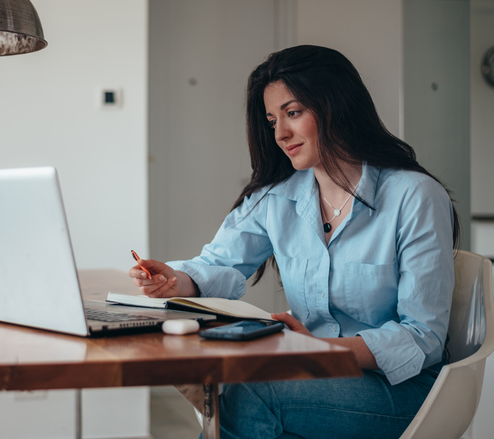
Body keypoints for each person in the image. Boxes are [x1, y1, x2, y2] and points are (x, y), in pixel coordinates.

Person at [129, 45, 458, 439]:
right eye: (272, 121)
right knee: (222, 385)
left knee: (248, 395)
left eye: (293, 112)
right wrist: (172, 280)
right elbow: (221, 262)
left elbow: (424, 338)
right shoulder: (279, 196)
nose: (281, 134)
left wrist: (322, 351)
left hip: (401, 389)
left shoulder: (414, 196)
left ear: (336, 105)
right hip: (313, 372)